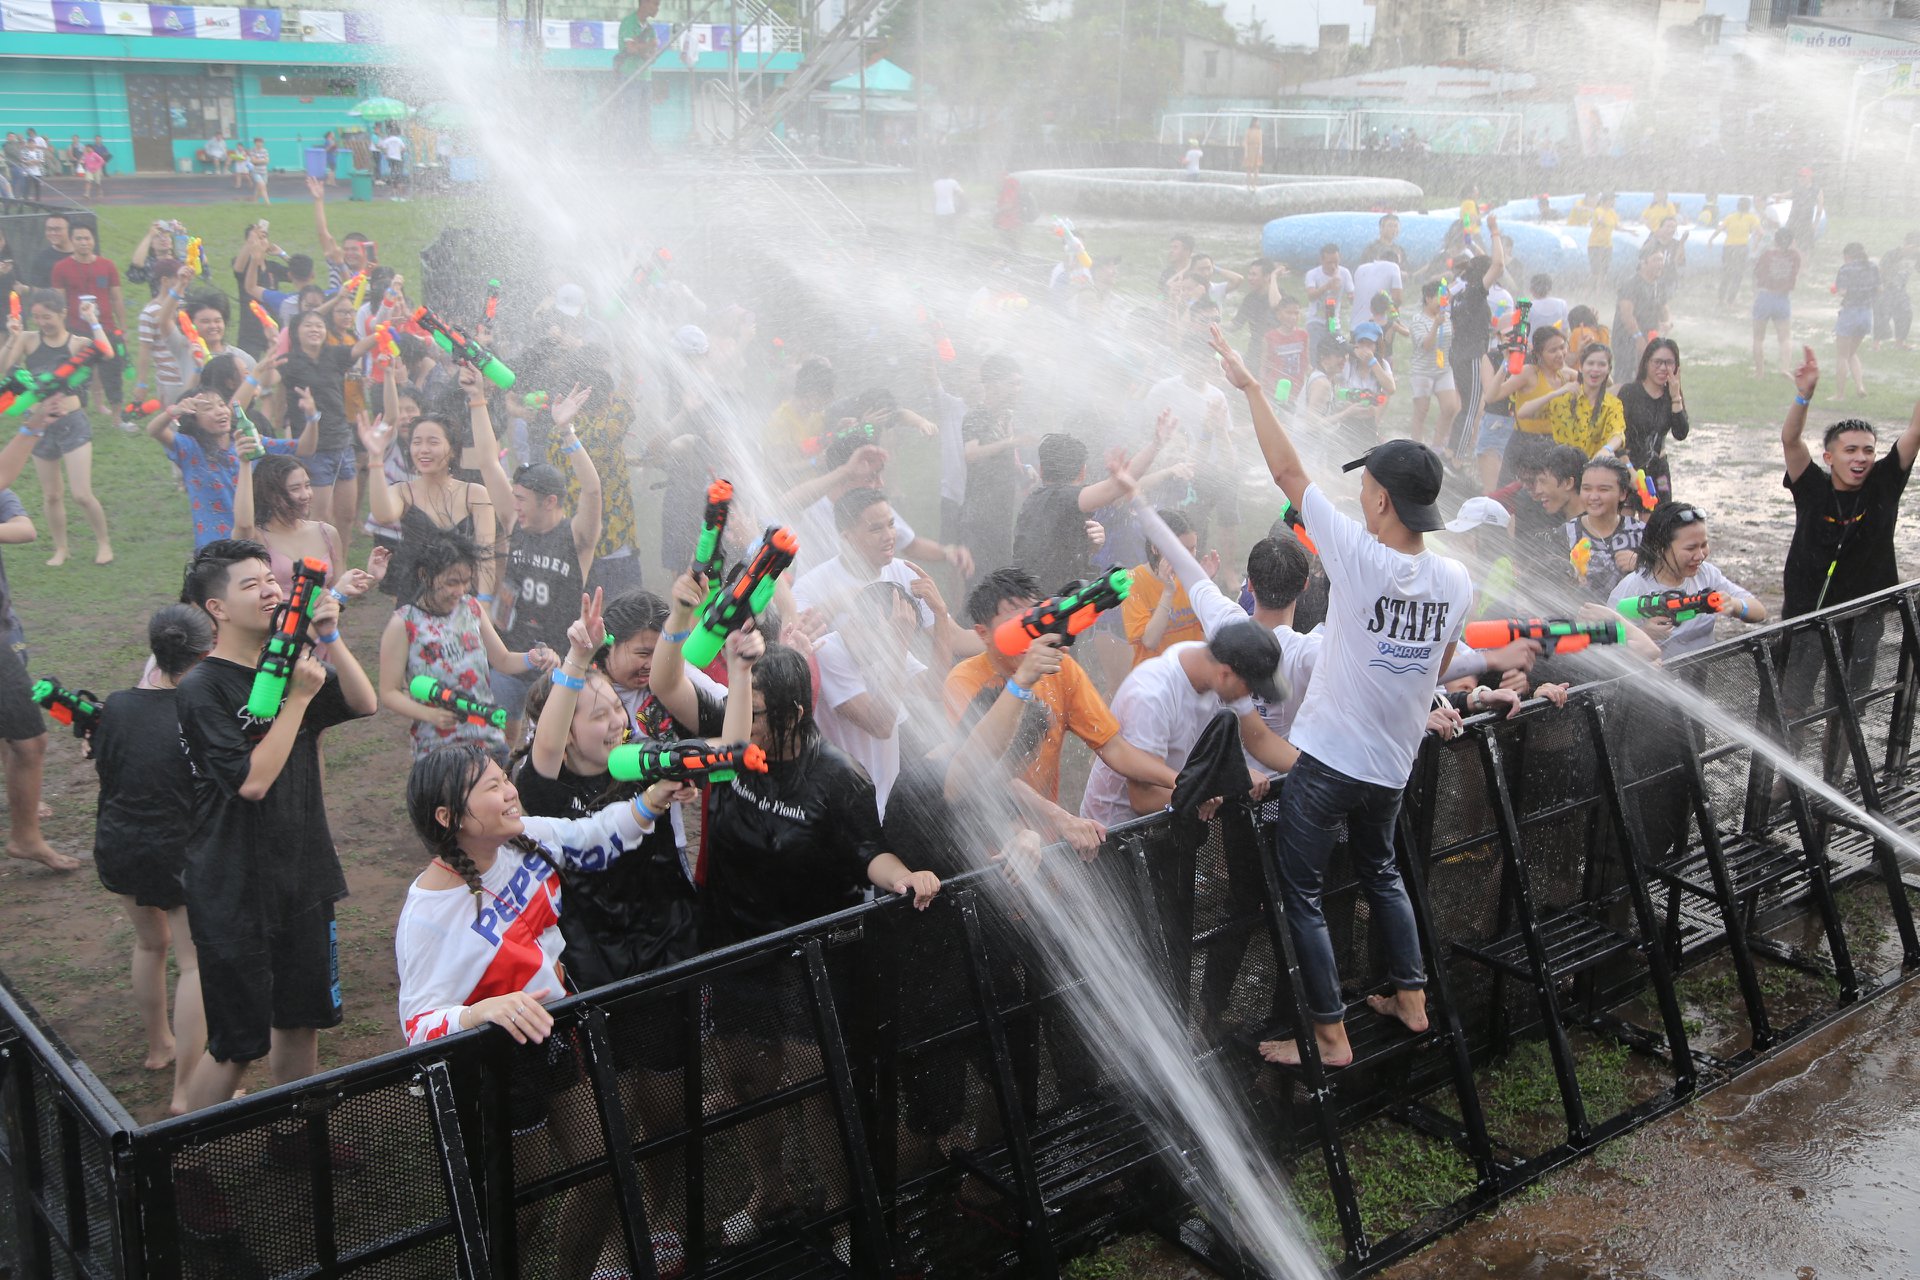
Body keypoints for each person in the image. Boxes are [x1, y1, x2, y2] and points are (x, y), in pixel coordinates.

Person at [1207, 323, 1470, 1070]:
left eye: (1364, 486)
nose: (1357, 494)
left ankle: (1326, 1035)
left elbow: (1287, 471)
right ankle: (1409, 997)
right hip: (1392, 764)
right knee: (1382, 870)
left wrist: (1253, 389)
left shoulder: (1357, 555)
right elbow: (1438, 664)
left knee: (1303, 894)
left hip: (1326, 764)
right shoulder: (1453, 579)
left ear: (1382, 500)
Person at [395, 743, 683, 1279]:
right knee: (516, 1208)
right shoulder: (428, 915)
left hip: (553, 1034)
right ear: (449, 817)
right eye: (493, 786)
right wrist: (480, 1014)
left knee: (600, 1171)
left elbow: (592, 836)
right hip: (490, 1067)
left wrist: (653, 800)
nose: (510, 791)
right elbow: (418, 1026)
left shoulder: (522, 838)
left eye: (506, 778)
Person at [174, 538, 378, 1112]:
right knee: (237, 1045)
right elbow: (251, 781)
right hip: (234, 887)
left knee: (300, 1020)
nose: (270, 590)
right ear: (216, 608)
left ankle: (297, 1138)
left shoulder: (288, 662)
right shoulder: (202, 688)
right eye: (251, 584)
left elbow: (364, 704)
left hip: (302, 871)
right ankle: (181, 1167)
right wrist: (295, 702)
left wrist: (331, 638)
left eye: (272, 579)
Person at [92, 605, 213, 1116]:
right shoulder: (199, 710)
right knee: (194, 963)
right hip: (176, 851)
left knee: (150, 942)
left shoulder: (115, 705)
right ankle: (187, 1090)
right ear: (206, 654)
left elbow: (110, 765)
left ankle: (159, 1045)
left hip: (119, 842)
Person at [944, 567, 1177, 823]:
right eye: (1017, 624)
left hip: (1049, 840)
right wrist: (1060, 817)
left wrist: (1178, 782)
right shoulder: (963, 680)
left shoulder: (1060, 668)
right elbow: (976, 771)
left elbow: (1113, 748)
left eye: (1034, 618)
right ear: (983, 633)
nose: (1031, 632)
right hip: (986, 841)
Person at [1079, 618, 1293, 827]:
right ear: (1225, 674)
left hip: (1175, 803)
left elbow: (1260, 739)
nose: (1252, 694)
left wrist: (1314, 769)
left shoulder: (1214, 661)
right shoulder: (1152, 696)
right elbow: (1142, 798)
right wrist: (1226, 786)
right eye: (1251, 687)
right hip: (1116, 828)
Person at [380, 528, 555, 762]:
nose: (460, 591)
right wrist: (429, 715)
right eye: (452, 582)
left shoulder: (471, 608)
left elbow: (502, 660)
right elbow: (389, 692)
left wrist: (531, 658)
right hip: (438, 749)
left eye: (466, 582)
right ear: (425, 575)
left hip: (487, 740)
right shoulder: (403, 624)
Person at [1779, 347, 1920, 622]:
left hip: (1868, 614)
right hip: (1806, 612)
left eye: (1868, 451)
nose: (1861, 458)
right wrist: (1803, 396)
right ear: (1829, 457)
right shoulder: (1812, 488)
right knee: (1797, 668)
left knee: (1863, 667)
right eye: (1851, 450)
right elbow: (1791, 441)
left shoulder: (1884, 483)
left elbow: (1915, 431)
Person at [793, 488, 981, 662]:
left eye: (891, 525)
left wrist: (1007, 636)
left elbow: (956, 638)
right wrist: (840, 601)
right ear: (846, 536)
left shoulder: (908, 573)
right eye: (876, 529)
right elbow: (792, 647)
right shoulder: (810, 586)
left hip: (904, 686)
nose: (889, 536)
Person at [493, 441, 603, 731]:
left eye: (521, 499)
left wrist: (569, 436)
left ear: (550, 501)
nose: (514, 505)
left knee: (549, 739)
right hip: (509, 657)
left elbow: (592, 490)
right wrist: (477, 399)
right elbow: (486, 464)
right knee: (502, 739)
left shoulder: (576, 537)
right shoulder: (515, 523)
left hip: (558, 664)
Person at [1, 289, 114, 565]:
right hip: (39, 427)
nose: (42, 322)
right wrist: (13, 336)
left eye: (47, 316)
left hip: (71, 424)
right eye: (37, 316)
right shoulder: (28, 339)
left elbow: (106, 353)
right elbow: (5, 368)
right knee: (51, 495)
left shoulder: (76, 343)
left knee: (81, 494)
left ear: (63, 313)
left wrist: (93, 320)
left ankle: (104, 543)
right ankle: (61, 548)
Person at [1011, 425, 1172, 599]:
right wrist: (1155, 445)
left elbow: (1053, 554)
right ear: (1082, 472)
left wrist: (1092, 546)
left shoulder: (1037, 500)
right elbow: (1115, 488)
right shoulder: (1063, 497)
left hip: (1031, 601)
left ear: (1041, 470)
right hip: (1048, 607)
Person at [1610, 502, 1766, 659]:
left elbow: (1759, 611)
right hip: (1657, 678)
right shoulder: (1632, 588)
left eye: (1704, 545)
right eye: (1691, 548)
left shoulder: (1706, 574)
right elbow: (1605, 652)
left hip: (1704, 675)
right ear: (1659, 548)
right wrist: (1643, 634)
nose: (1700, 555)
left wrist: (1735, 605)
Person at [146, 388, 296, 549]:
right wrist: (173, 411)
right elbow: (154, 430)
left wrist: (313, 417)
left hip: (255, 538)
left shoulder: (247, 443)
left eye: (222, 405)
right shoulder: (189, 448)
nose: (219, 411)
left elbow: (304, 447)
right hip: (213, 545)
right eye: (209, 408)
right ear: (194, 419)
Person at [282, 309, 380, 547]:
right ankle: (316, 577)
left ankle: (340, 570)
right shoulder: (290, 363)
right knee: (319, 519)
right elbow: (265, 384)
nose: (315, 329)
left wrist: (385, 328)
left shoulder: (334, 355)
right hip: (314, 448)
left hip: (343, 443)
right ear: (296, 331)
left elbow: (360, 347)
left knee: (345, 517)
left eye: (319, 325)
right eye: (308, 325)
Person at [957, 354, 1028, 587]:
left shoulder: (1007, 417)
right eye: (1013, 383)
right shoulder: (977, 416)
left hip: (1002, 517)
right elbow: (971, 454)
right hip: (979, 519)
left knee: (1001, 586)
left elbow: (1008, 460)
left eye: (1020, 383)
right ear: (993, 385)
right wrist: (1010, 442)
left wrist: (1024, 471)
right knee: (980, 588)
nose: (1019, 389)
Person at [1444, 218, 1506, 470]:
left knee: (1465, 405)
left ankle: (1450, 451)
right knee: (1471, 407)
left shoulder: (1459, 292)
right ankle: (1457, 459)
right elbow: (1498, 264)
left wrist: (1475, 242)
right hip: (1471, 354)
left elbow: (1484, 263)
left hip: (1457, 353)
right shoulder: (1475, 292)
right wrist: (1494, 232)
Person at [47, 224, 127, 414]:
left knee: (112, 372)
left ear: (93, 241)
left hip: (106, 327)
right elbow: (58, 301)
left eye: (87, 238)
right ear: (72, 241)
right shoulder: (61, 267)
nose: (84, 243)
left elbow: (116, 297)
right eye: (79, 239)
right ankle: (80, 411)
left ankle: (117, 418)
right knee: (79, 373)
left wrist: (123, 328)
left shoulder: (107, 265)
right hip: (76, 328)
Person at [1123, 508, 1209, 666]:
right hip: (1155, 680)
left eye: (1193, 548)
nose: (1189, 557)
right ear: (1155, 548)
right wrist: (1168, 590)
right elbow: (1150, 641)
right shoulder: (1132, 581)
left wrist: (1206, 586)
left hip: (1192, 675)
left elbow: (1212, 630)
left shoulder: (1191, 577)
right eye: (1182, 549)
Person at [1518, 341, 1624, 459]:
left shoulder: (1613, 404)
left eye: (1601, 365)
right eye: (1590, 363)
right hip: (1562, 469)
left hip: (1594, 469)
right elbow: (1523, 412)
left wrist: (1607, 449)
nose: (1595, 369)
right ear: (1581, 367)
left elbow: (1618, 433)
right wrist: (1557, 392)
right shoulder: (1563, 400)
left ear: (1609, 369)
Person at [1618, 337, 1688, 497]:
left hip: (1659, 469)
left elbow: (1681, 433)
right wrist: (1627, 467)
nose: (1663, 368)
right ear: (1646, 363)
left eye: (1669, 363)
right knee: (1626, 518)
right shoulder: (1630, 392)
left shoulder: (1671, 395)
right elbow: (1616, 432)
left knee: (1660, 518)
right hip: (1629, 466)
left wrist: (1676, 396)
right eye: (1657, 362)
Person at [1566, 456, 1644, 601]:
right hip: (1583, 618)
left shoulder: (1641, 533)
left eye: (1603, 489)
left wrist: (1641, 564)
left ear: (1623, 493)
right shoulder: (1565, 534)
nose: (1593, 496)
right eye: (1586, 488)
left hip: (1632, 620)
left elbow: (1668, 576)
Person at [1405, 281, 1455, 448]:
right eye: (1441, 298)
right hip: (1423, 371)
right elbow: (1426, 346)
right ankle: (1416, 447)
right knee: (1422, 410)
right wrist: (1435, 325)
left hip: (1444, 369)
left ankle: (1437, 447)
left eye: (1446, 298)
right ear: (1428, 298)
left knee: (1450, 407)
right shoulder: (1418, 320)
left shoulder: (1448, 318)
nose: (1445, 302)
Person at [1611, 251, 1669, 384]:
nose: (1660, 264)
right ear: (1643, 263)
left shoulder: (1658, 285)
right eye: (1656, 260)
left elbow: (1664, 307)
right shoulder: (1631, 285)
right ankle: (1619, 403)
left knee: (1647, 374)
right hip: (1626, 338)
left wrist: (1666, 322)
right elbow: (1626, 315)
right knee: (1626, 376)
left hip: (1648, 336)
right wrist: (1638, 338)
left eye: (1661, 260)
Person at [1831, 242, 1878, 402]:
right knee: (1852, 353)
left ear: (1848, 256)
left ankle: (1840, 395)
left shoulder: (1846, 269)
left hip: (1849, 314)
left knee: (1842, 355)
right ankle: (1860, 386)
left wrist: (1836, 291)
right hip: (1866, 314)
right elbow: (1879, 289)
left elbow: (1843, 291)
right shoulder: (1872, 267)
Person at [1751, 228, 1802, 377]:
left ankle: (1759, 372)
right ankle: (1785, 368)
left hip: (1765, 296)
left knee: (1758, 338)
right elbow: (1797, 271)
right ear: (1792, 241)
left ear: (1775, 240)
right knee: (1785, 337)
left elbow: (1757, 272)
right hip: (1782, 299)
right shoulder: (1795, 256)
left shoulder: (1767, 255)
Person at [1303, 244, 1355, 358]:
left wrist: (1353, 297)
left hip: (1332, 321)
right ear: (1321, 260)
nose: (1333, 266)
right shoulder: (1312, 274)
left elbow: (1352, 295)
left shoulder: (1344, 273)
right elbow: (1311, 296)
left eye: (1336, 262)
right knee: (1316, 353)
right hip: (1316, 321)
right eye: (1329, 262)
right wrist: (1327, 286)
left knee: (1342, 347)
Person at [1711, 196, 1762, 305]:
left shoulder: (1730, 217)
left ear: (1738, 206)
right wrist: (1755, 245)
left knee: (1726, 273)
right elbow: (1760, 233)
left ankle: (1721, 298)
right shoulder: (1752, 218)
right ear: (1749, 207)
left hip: (1728, 247)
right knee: (1738, 275)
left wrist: (1711, 239)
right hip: (1741, 248)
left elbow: (1719, 229)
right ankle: (1730, 300)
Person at [1874, 233, 1916, 349]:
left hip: (1900, 289)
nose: (1915, 250)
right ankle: (1876, 343)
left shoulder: (1916, 256)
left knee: (1906, 314)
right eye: (1914, 247)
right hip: (1885, 289)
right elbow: (1881, 271)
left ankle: (1899, 343)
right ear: (1906, 244)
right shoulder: (1892, 254)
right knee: (1883, 315)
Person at [1586, 193, 1620, 292]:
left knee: (1604, 270)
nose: (1614, 202)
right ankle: (1589, 290)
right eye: (1612, 199)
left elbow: (1617, 226)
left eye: (1614, 200)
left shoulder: (1612, 212)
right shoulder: (1598, 210)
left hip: (1607, 244)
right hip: (1595, 244)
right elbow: (1601, 220)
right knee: (1595, 271)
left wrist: (1630, 231)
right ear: (1606, 201)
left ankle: (1599, 292)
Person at [1241, 120, 1263, 191]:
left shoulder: (1259, 131)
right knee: (1249, 168)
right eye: (1256, 121)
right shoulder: (1248, 131)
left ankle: (1254, 184)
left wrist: (1260, 151)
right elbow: (1246, 142)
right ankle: (1249, 184)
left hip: (1256, 150)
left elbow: (1260, 142)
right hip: (1250, 150)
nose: (1258, 123)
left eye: (1258, 121)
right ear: (1253, 122)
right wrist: (1246, 152)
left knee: (1256, 168)